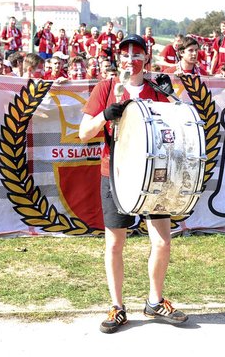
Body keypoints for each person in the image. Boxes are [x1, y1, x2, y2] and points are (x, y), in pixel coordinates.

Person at [78, 34, 188, 333]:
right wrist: (105, 114)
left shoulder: (158, 89)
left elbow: (182, 127)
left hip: (155, 175)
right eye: (125, 54)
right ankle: (117, 306)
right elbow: (84, 133)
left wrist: (174, 100)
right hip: (116, 174)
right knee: (115, 243)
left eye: (137, 53)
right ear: (118, 59)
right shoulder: (106, 88)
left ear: (146, 59)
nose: (130, 59)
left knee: (163, 241)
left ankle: (155, 301)